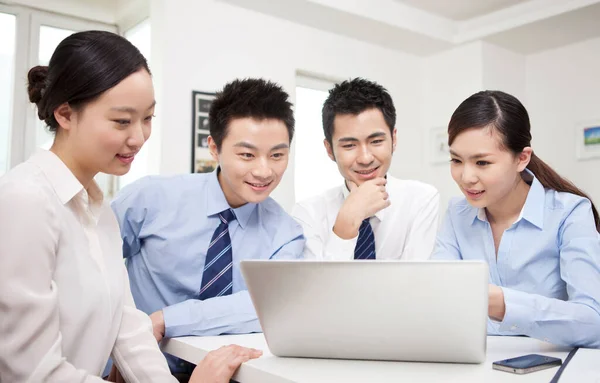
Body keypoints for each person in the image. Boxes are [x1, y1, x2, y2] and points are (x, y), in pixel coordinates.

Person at [0, 30, 260, 383]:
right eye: (122, 121)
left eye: (148, 118)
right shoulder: (26, 201)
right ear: (65, 114)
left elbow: (126, 325)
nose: (139, 137)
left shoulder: (98, 210)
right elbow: (32, 373)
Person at [111, 78, 305, 377]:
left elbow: (270, 307)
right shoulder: (148, 199)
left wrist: (166, 319)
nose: (264, 171)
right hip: (131, 371)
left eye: (277, 155)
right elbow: (90, 269)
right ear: (214, 147)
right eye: (247, 155)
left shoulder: (287, 233)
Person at [432, 90, 600, 348]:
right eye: (456, 160)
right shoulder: (457, 213)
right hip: (470, 363)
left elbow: (593, 322)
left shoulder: (570, 213)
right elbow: (438, 298)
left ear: (522, 158)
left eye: (482, 163)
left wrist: (503, 304)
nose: (466, 177)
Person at [292, 78, 439, 260]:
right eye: (349, 145)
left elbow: (415, 283)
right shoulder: (308, 213)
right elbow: (318, 287)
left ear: (394, 139)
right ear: (329, 149)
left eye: (376, 141)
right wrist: (347, 223)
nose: (365, 158)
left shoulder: (421, 200)